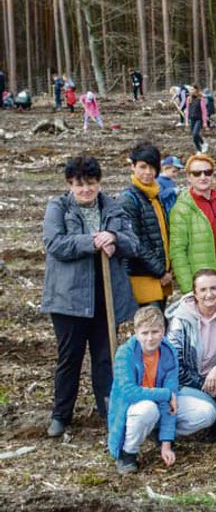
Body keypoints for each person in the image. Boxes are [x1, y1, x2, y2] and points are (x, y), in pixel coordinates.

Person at [42, 155, 139, 436]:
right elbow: (54, 243)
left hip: (105, 298)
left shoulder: (113, 207)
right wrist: (92, 241)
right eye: (80, 185)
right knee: (69, 357)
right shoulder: (58, 207)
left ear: (99, 183)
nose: (86, 190)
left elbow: (133, 242)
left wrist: (115, 239)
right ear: (70, 184)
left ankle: (109, 410)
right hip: (68, 300)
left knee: (105, 357)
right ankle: (61, 415)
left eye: (92, 184)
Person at [106, 307, 216, 474]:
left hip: (158, 404)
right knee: (147, 409)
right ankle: (128, 452)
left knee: (206, 412)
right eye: (144, 333)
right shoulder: (125, 353)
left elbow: (170, 402)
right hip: (132, 407)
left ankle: (159, 434)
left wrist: (166, 444)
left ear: (163, 331)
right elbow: (130, 392)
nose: (150, 338)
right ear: (136, 332)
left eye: (155, 332)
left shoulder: (168, 351)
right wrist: (165, 394)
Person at [166, 269, 216, 419]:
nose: (209, 294)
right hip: (190, 382)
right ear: (195, 293)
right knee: (209, 412)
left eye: (213, 288)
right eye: (203, 290)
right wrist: (202, 384)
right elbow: (174, 360)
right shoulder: (181, 318)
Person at [120, 143, 174, 308]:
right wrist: (160, 271)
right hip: (143, 277)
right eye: (142, 167)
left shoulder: (154, 195)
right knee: (151, 326)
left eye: (152, 167)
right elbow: (136, 243)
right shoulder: (129, 199)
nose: (148, 173)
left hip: (160, 277)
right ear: (132, 167)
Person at [169, 153, 216, 295]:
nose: (203, 177)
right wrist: (189, 288)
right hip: (202, 286)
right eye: (196, 173)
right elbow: (178, 252)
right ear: (188, 176)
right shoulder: (181, 209)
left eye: (207, 172)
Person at [186, 85, 209, 153]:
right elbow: (187, 110)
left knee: (195, 134)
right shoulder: (189, 99)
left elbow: (204, 111)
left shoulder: (201, 99)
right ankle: (201, 147)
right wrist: (186, 121)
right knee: (194, 136)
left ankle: (201, 147)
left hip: (199, 119)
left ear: (196, 90)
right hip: (192, 119)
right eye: (190, 90)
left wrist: (205, 122)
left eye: (192, 89)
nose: (191, 91)